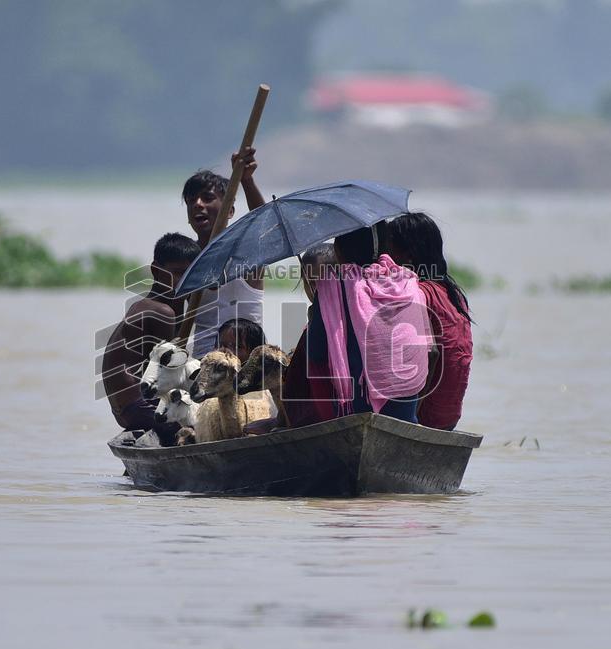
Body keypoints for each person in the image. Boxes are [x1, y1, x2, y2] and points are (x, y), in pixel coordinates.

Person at [283, 225, 430, 426]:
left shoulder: (335, 287)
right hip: (406, 416)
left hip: (356, 414)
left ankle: (289, 420)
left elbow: (316, 353)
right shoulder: (408, 281)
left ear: (339, 252)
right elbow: (430, 350)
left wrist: (318, 318)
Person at [101, 232, 201, 438]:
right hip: (139, 404)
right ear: (156, 271)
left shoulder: (168, 305)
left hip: (126, 407)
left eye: (190, 274)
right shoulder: (161, 312)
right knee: (203, 424)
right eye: (177, 273)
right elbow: (168, 375)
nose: (184, 281)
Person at [385, 212, 473, 430]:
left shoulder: (418, 293)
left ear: (407, 255)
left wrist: (410, 418)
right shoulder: (454, 294)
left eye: (389, 247)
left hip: (425, 415)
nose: (384, 255)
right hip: (449, 417)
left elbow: (429, 353)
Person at [184, 147, 266, 358]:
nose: (198, 205)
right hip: (202, 364)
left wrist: (246, 181)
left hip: (248, 364)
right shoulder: (185, 259)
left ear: (229, 211)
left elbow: (263, 222)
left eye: (207, 198)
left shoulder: (246, 253)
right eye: (191, 201)